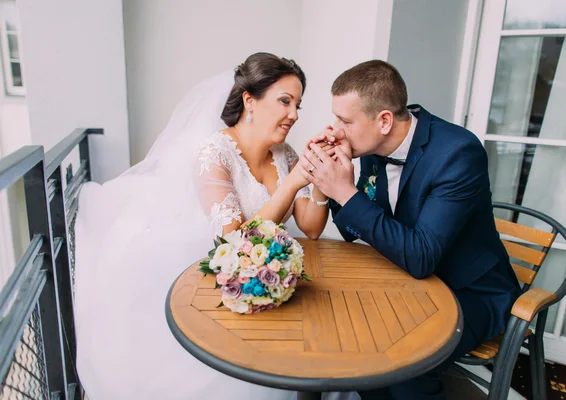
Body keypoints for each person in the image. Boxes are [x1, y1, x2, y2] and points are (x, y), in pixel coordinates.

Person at [73, 53, 342, 399]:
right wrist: (292, 184)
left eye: (298, 106)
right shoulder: (212, 153)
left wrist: (319, 169)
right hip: (213, 276)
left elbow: (311, 226)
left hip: (264, 272)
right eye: (285, 102)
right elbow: (234, 242)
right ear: (250, 101)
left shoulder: (285, 154)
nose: (294, 115)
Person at [299, 60, 522, 400]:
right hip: (402, 279)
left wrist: (344, 191)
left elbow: (421, 257)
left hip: (469, 289)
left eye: (344, 120)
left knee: (401, 362)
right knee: (351, 338)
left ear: (384, 120)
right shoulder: (373, 146)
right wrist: (331, 178)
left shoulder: (458, 153)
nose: (335, 130)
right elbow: (353, 229)